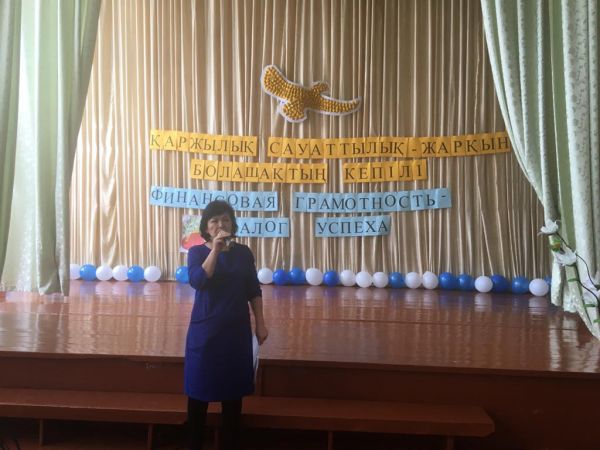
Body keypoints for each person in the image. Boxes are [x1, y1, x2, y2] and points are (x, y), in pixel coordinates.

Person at [185, 200, 268, 450]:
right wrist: (215, 251)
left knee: (233, 397)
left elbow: (253, 290)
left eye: (226, 219)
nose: (221, 224)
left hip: (236, 332)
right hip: (205, 332)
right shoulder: (197, 252)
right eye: (215, 220)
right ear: (206, 227)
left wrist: (260, 323)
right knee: (198, 392)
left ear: (232, 224)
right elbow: (198, 281)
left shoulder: (243, 253)